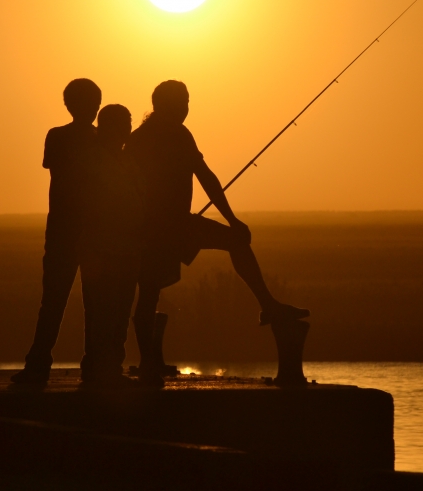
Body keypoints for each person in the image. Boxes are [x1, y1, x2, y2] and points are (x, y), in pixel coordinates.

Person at [124, 80, 309, 387]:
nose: (185, 109)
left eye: (187, 103)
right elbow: (201, 178)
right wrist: (230, 219)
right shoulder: (143, 141)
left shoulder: (175, 135)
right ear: (162, 105)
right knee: (148, 293)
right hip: (152, 231)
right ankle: (148, 362)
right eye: (181, 103)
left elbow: (206, 177)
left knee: (233, 241)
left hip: (180, 225)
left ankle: (268, 305)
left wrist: (232, 220)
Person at [11, 78, 102, 385]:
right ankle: (91, 365)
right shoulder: (100, 141)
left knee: (55, 301)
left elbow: (57, 170)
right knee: (88, 301)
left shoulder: (59, 136)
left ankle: (39, 366)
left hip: (66, 231)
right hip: (85, 232)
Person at [78, 104, 143, 388]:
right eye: (123, 124)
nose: (128, 129)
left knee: (118, 311)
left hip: (125, 249)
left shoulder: (125, 160)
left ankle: (108, 367)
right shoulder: (95, 160)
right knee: (102, 311)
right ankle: (98, 368)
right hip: (102, 250)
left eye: (128, 123)